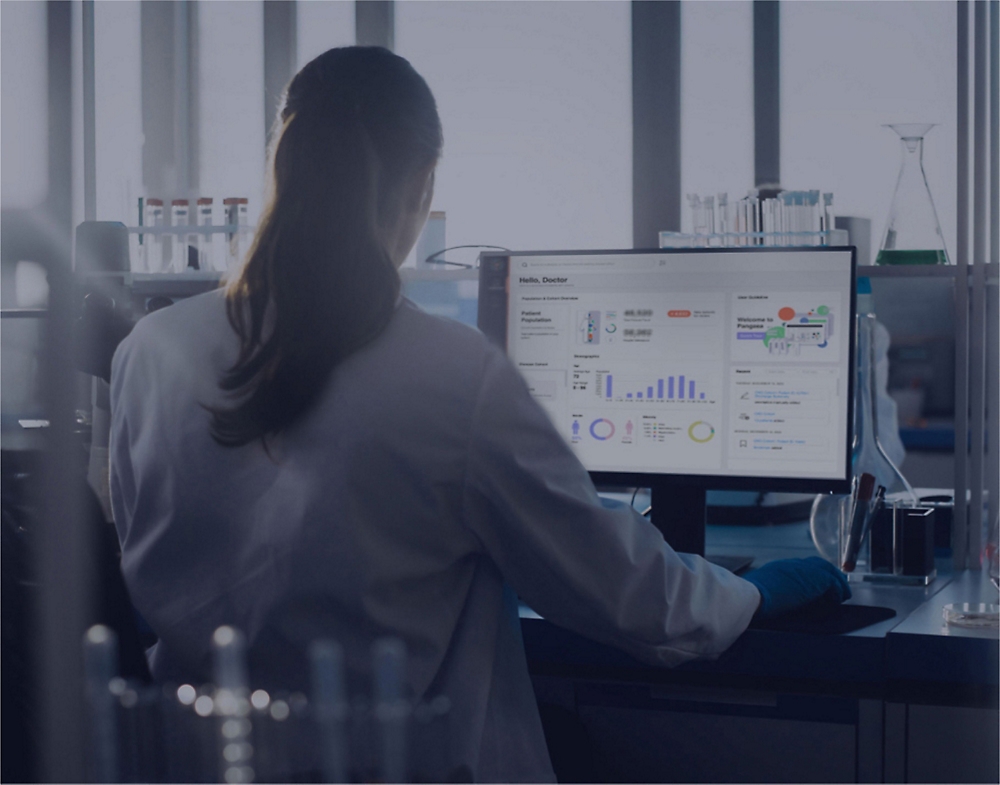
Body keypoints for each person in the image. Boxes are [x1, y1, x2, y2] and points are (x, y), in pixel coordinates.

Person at [110, 46, 849, 782]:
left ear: (283, 164)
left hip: (206, 767)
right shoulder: (452, 376)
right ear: (422, 183)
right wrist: (753, 592)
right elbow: (639, 602)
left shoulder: (151, 351)